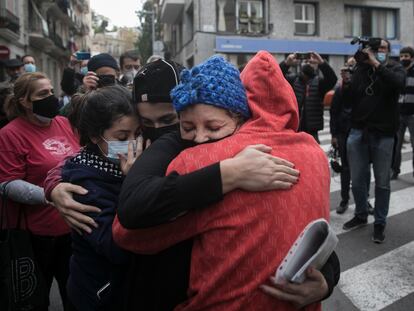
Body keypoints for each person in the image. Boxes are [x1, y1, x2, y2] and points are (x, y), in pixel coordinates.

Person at [45, 59, 338, 310]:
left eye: (169, 119)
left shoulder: (240, 151)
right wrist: (53, 185)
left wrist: (327, 278)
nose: (158, 132)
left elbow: (294, 221)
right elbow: (85, 165)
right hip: (115, 291)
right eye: (147, 123)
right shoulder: (162, 146)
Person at [0, 72, 79, 310]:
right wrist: (51, 195)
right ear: (25, 101)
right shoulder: (9, 134)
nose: (51, 98)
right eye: (43, 94)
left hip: (73, 229)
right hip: (36, 236)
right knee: (35, 302)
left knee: (75, 297)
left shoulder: (64, 123)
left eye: (52, 92)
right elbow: (7, 184)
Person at [62, 85, 141, 311]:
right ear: (96, 136)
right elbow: (115, 248)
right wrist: (133, 183)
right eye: (123, 136)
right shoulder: (84, 184)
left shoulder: (114, 166)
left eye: (138, 133)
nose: (134, 143)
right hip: (98, 296)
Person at [342, 39, 406, 243]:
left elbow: (399, 84)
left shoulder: (395, 67)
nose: (377, 52)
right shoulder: (361, 69)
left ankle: (380, 222)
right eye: (374, 50)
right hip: (359, 131)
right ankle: (361, 214)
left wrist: (377, 65)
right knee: (358, 180)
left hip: (384, 134)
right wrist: (346, 81)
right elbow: (350, 100)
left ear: (388, 52)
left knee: (382, 182)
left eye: (382, 49)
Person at [330, 66, 374, 215]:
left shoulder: (364, 89)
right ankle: (344, 200)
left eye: (351, 70)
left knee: (365, 170)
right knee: (346, 169)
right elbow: (333, 113)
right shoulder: (340, 90)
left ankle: (365, 200)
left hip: (362, 132)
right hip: (343, 133)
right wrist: (334, 135)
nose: (347, 74)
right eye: (345, 71)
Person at [280, 52, 337, 143]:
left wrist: (322, 63)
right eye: (305, 61)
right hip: (294, 130)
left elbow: (332, 79)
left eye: (311, 62)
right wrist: (286, 63)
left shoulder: (320, 83)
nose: (308, 63)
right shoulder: (293, 80)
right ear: (300, 65)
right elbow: (277, 77)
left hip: (312, 132)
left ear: (315, 66)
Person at [391, 46, 414, 179]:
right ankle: (395, 171)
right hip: (398, 114)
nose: (403, 59)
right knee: (396, 145)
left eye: (406, 56)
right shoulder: (397, 71)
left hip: (412, 115)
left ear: (412, 57)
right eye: (401, 56)